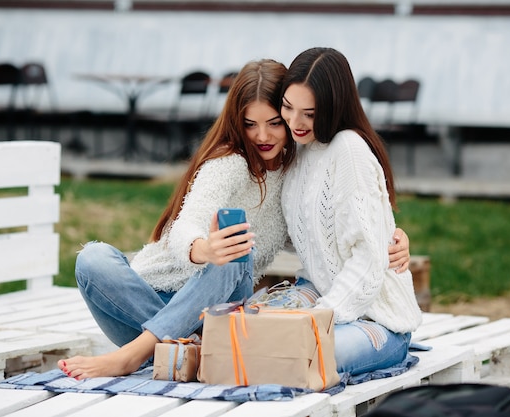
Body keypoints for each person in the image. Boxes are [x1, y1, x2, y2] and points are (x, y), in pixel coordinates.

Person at [58, 58, 411, 380]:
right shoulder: (229, 163)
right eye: (251, 124)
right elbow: (187, 225)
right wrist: (203, 249)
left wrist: (388, 237)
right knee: (94, 258)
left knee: (235, 251)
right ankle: (179, 351)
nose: (263, 135)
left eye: (275, 122)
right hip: (154, 302)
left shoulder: (298, 168)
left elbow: (320, 232)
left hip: (217, 310)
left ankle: (158, 353)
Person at [277, 47, 423, 376]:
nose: (295, 122)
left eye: (309, 114)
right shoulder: (300, 150)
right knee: (251, 334)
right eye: (288, 107)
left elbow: (369, 260)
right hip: (323, 297)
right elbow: (304, 235)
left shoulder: (349, 150)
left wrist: (319, 317)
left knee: (302, 357)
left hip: (377, 321)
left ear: (332, 107)